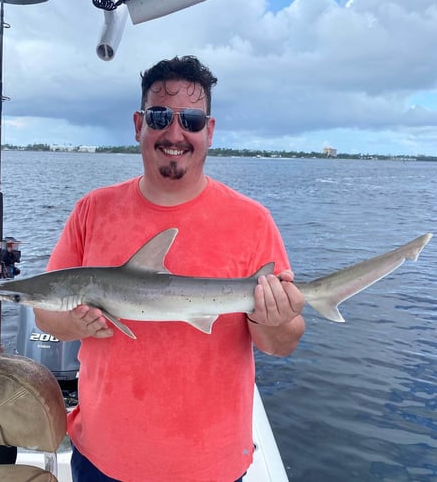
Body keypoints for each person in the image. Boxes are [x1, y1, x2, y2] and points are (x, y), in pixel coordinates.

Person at [34, 55, 305, 482]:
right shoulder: (92, 210)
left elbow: (282, 343)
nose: (174, 133)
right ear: (139, 123)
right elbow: (46, 313)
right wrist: (80, 323)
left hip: (210, 464)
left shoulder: (252, 221)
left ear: (209, 131)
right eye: (160, 116)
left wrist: (273, 318)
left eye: (192, 120)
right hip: (105, 457)